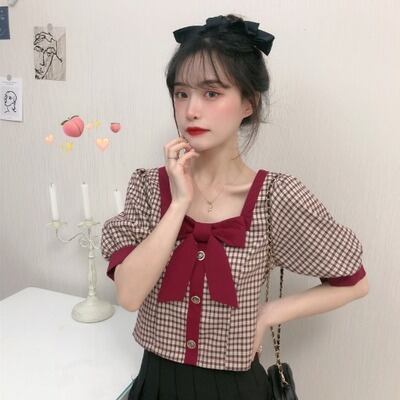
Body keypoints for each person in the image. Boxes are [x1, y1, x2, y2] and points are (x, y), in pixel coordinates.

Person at [101, 14, 369, 400]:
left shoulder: (275, 197)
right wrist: (179, 203)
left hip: (237, 389)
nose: (191, 110)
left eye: (211, 93)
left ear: (248, 103)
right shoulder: (148, 188)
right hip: (155, 384)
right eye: (181, 93)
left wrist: (269, 313)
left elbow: (355, 282)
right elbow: (128, 295)